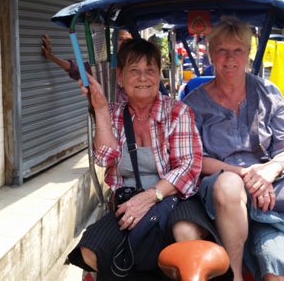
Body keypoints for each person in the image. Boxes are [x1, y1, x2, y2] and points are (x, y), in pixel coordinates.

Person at [183, 16, 284, 281]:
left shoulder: (268, 93)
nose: (230, 58)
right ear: (211, 54)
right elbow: (193, 159)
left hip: (268, 197)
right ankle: (234, 276)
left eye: (237, 50)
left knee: (278, 267)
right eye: (222, 50)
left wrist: (269, 172)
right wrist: (244, 173)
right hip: (217, 195)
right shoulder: (194, 103)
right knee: (229, 185)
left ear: (248, 53)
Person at [67, 39, 212, 280]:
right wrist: (100, 108)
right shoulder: (113, 113)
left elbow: (189, 166)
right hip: (127, 203)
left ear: (159, 76)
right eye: (134, 71)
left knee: (180, 234)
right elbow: (104, 157)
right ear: (121, 77)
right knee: (90, 251)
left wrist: (149, 197)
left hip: (175, 199)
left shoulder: (177, 111)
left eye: (150, 71)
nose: (143, 78)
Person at [41, 29, 132, 102]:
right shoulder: (104, 63)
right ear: (112, 40)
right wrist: (52, 57)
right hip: (109, 118)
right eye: (120, 40)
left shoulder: (139, 65)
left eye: (128, 41)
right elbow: (76, 68)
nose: (124, 44)